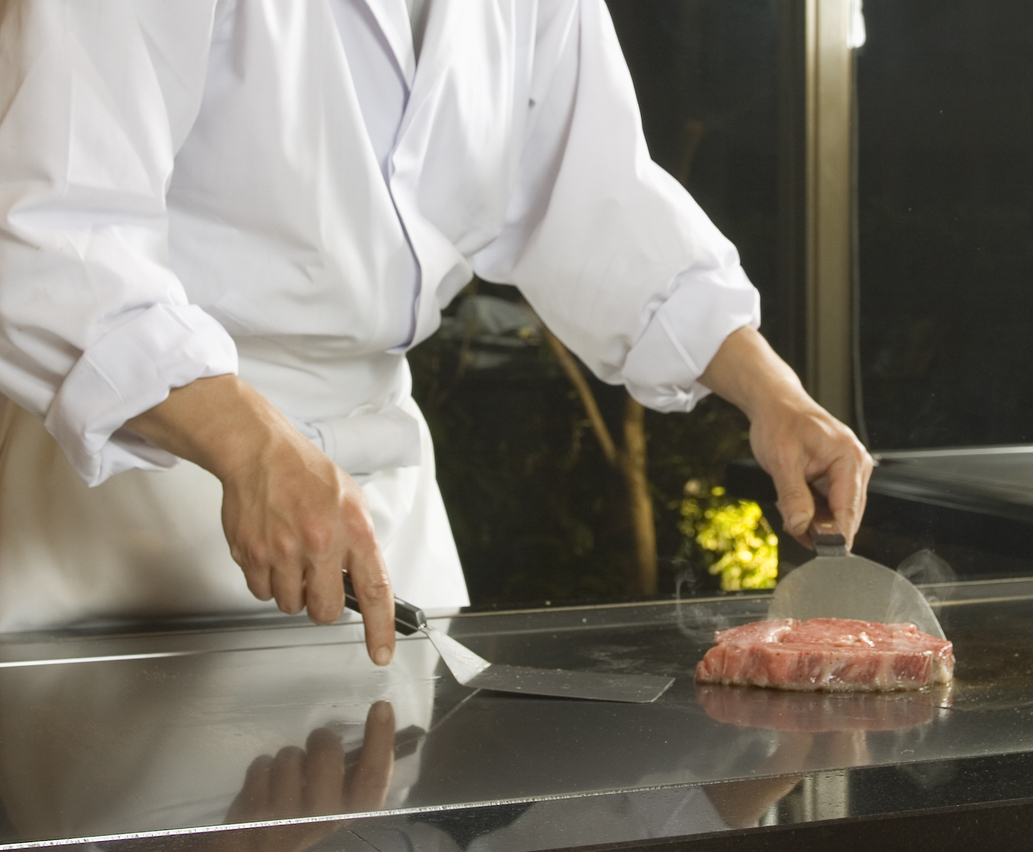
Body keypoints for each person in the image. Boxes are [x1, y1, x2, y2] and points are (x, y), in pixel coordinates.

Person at [0, 0, 872, 665]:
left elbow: (596, 193)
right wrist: (249, 444)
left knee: (383, 806)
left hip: (379, 506)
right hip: (140, 486)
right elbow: (49, 232)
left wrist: (773, 394)